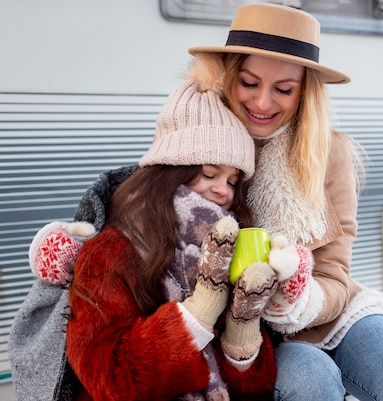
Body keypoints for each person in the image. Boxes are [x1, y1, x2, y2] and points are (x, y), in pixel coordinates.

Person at [16, 4, 383, 401]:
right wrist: (76, 246)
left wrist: (296, 300)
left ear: (305, 93)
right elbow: (146, 202)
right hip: (250, 332)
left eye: (284, 89)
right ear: (229, 75)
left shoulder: (328, 152)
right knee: (311, 379)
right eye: (249, 82)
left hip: (329, 312)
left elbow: (336, 274)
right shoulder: (201, 127)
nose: (263, 103)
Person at [16, 53, 297, 401]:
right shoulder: (113, 250)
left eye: (233, 180)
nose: (223, 189)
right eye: (208, 173)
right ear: (169, 171)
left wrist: (242, 332)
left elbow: (252, 390)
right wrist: (198, 313)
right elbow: (109, 376)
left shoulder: (228, 246)